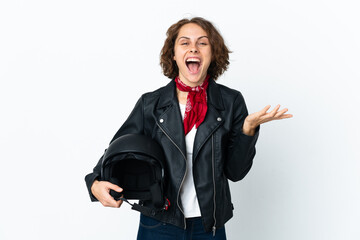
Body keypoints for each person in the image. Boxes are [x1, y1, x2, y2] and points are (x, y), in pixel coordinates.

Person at [85, 17, 292, 240]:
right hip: (158, 221)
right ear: (173, 54)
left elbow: (236, 172)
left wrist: (248, 130)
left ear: (212, 54)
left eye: (202, 43)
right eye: (184, 43)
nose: (193, 47)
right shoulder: (151, 104)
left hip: (209, 225)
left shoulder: (230, 102)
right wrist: (94, 182)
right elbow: (118, 148)